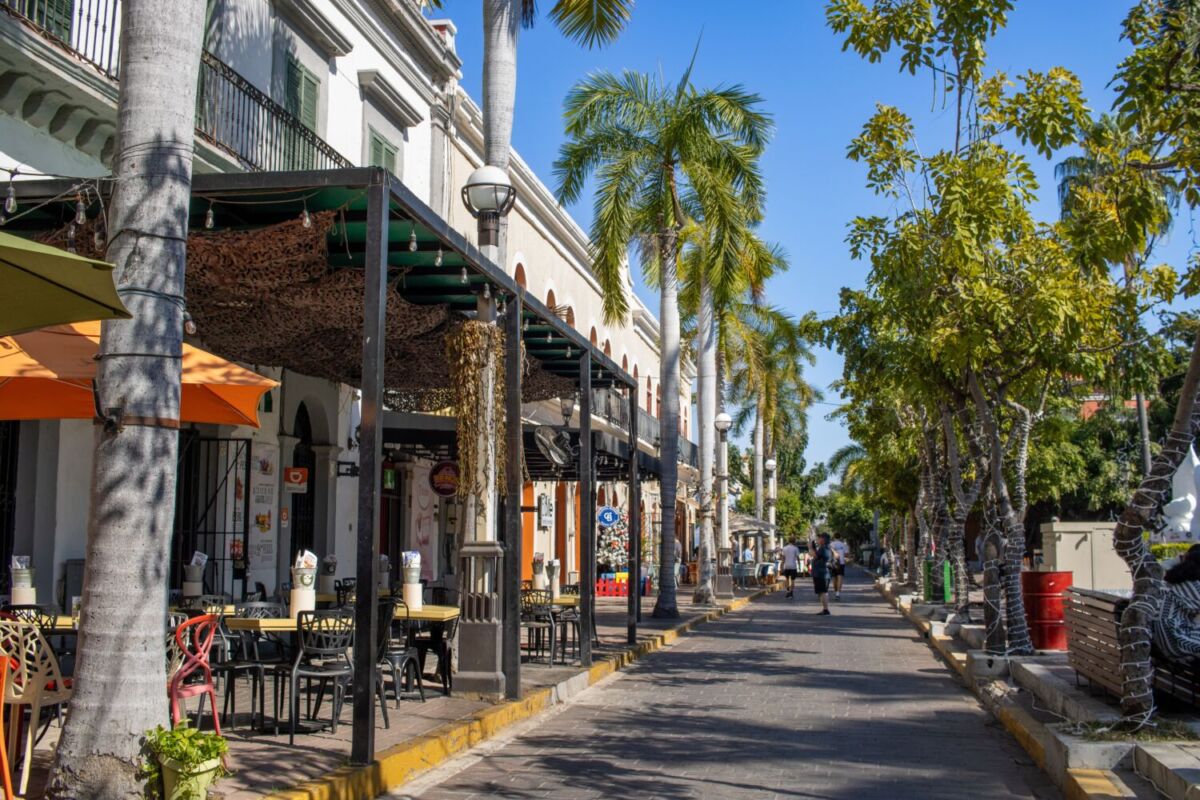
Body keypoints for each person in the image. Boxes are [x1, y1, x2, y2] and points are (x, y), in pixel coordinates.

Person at [1153, 544, 1200, 659]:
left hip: (1165, 637)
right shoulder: (1192, 585)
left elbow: (1162, 566)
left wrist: (1182, 558)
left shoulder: (1173, 579)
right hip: (1177, 640)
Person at [809, 533, 833, 615]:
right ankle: (825, 609)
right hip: (822, 572)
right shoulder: (825, 548)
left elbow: (815, 556)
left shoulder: (824, 548)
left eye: (819, 538)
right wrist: (814, 547)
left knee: (823, 591)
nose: (817, 540)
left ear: (822, 539)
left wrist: (810, 547)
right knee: (822, 592)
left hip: (821, 573)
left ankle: (826, 609)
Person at [830, 535, 849, 600]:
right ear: (840, 537)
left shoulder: (831, 544)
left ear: (834, 537)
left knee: (834, 578)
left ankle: (835, 591)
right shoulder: (843, 545)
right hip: (841, 563)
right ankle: (838, 593)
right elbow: (846, 554)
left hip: (833, 563)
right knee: (840, 577)